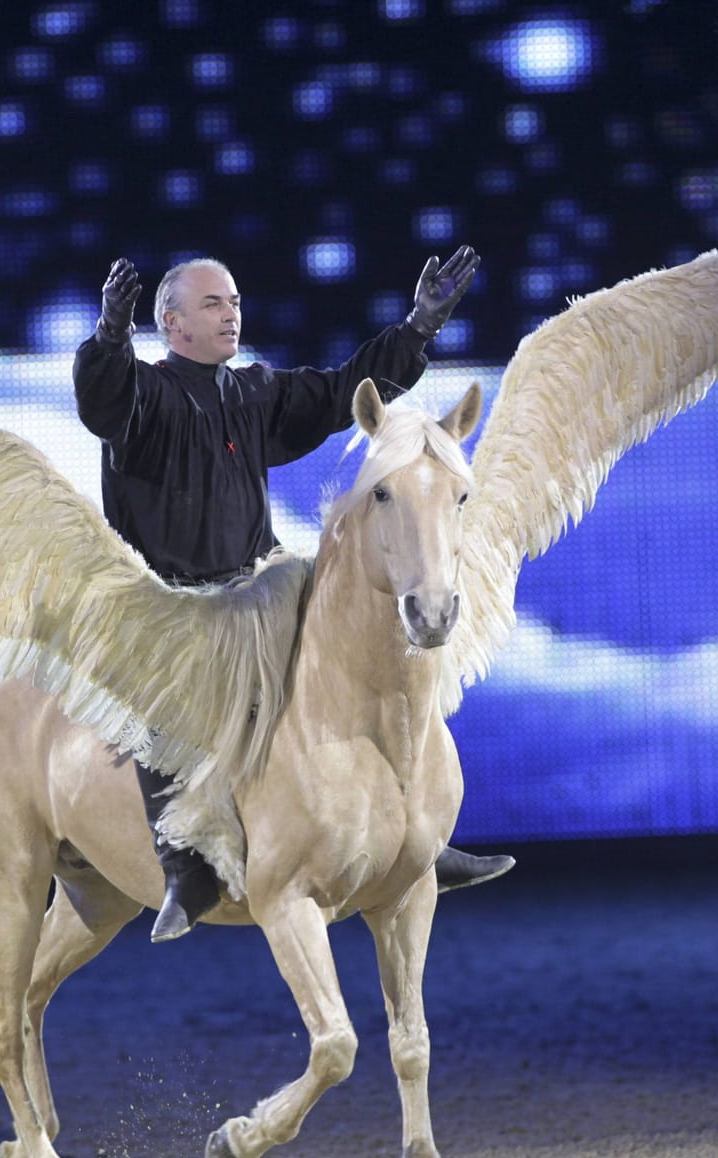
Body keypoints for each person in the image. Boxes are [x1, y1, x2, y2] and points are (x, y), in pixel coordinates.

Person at [73, 248, 513, 941]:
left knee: (354, 650)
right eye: (214, 303)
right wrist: (107, 338)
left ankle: (411, 836)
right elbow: (103, 402)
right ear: (172, 322)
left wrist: (417, 331)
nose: (231, 313)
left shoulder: (251, 394)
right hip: (168, 602)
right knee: (164, 684)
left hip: (255, 587)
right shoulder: (142, 397)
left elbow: (344, 392)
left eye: (236, 302)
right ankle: (184, 860)